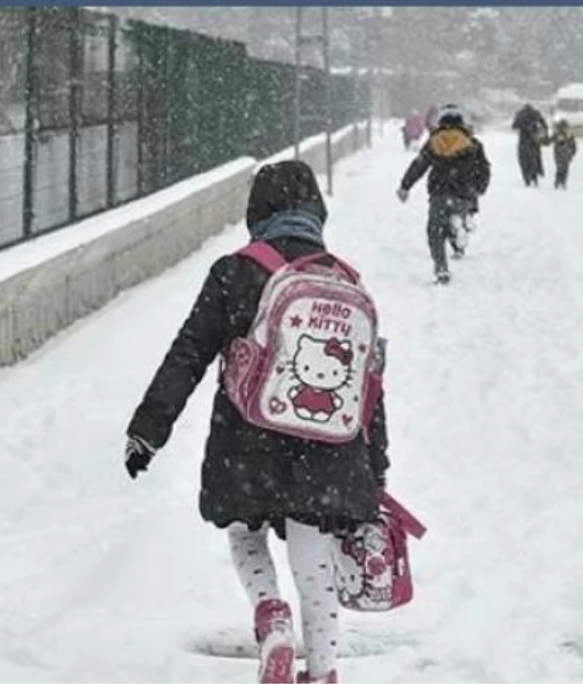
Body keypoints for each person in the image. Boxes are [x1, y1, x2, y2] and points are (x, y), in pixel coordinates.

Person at [124, 160, 390, 684]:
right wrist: (375, 466)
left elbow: (189, 354)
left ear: (256, 211)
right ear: (316, 211)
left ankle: (272, 618)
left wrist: (148, 431)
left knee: (246, 534)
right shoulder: (343, 280)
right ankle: (325, 669)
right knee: (313, 551)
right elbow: (369, 389)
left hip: (245, 443)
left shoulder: (234, 271)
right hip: (329, 450)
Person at [397, 104, 491, 284]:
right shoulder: (473, 144)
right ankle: (459, 229)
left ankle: (441, 269)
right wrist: (479, 188)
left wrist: (405, 186)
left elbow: (419, 165)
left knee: (435, 231)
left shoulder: (434, 142)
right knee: (457, 216)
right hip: (464, 193)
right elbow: (484, 169)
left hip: (440, 192)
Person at [512, 103, 549, 187]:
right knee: (535, 158)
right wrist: (543, 135)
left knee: (523, 160)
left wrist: (522, 126)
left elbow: (514, 126)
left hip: (523, 140)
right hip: (534, 140)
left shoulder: (520, 114)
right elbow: (544, 125)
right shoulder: (536, 113)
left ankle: (527, 177)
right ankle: (534, 176)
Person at [551, 119, 578, 190]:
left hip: (564, 154)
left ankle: (561, 181)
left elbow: (573, 146)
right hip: (561, 154)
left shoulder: (568, 135)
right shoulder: (558, 134)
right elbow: (550, 140)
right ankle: (559, 181)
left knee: (564, 168)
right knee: (561, 168)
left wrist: (572, 152)